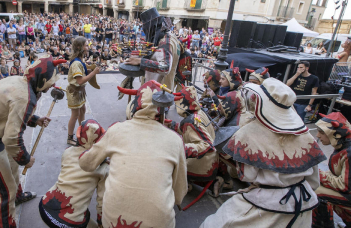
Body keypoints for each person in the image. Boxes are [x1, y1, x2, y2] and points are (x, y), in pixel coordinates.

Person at [199, 78, 326, 228]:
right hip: (304, 204)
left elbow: (248, 175)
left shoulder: (249, 132)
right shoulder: (306, 135)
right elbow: (313, 181)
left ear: (259, 101)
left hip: (267, 204)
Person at [0, 55, 65, 228]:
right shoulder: (24, 96)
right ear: (42, 79)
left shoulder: (20, 81)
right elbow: (12, 138)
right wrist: (26, 158)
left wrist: (35, 119)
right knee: (3, 191)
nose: (52, 86)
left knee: (12, 165)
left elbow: (12, 114)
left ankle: (17, 196)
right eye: (50, 82)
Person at [80, 80, 187, 228]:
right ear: (163, 109)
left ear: (135, 105)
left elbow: (86, 163)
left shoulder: (116, 129)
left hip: (113, 221)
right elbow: (180, 193)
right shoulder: (176, 140)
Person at [39, 119, 109, 228]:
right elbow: (102, 202)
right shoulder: (103, 168)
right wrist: (101, 223)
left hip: (45, 206)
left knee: (85, 215)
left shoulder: (68, 152)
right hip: (69, 222)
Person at [124, 8, 180, 91]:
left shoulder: (166, 42)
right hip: (152, 89)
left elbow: (165, 67)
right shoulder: (162, 36)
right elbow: (156, 55)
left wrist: (140, 61)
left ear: (152, 26)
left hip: (159, 94)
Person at [312, 112, 351, 228]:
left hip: (348, 191)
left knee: (316, 193)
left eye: (322, 132)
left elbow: (345, 185)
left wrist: (318, 175)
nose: (318, 135)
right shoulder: (343, 145)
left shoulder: (349, 152)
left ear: (336, 134)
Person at [67, 37, 100, 146]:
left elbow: (82, 71)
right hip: (74, 91)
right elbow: (80, 80)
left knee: (83, 109)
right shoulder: (76, 63)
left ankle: (82, 130)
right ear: (79, 47)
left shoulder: (80, 60)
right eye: (86, 45)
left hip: (80, 92)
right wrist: (93, 73)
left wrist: (89, 70)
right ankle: (70, 137)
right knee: (75, 114)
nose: (88, 47)